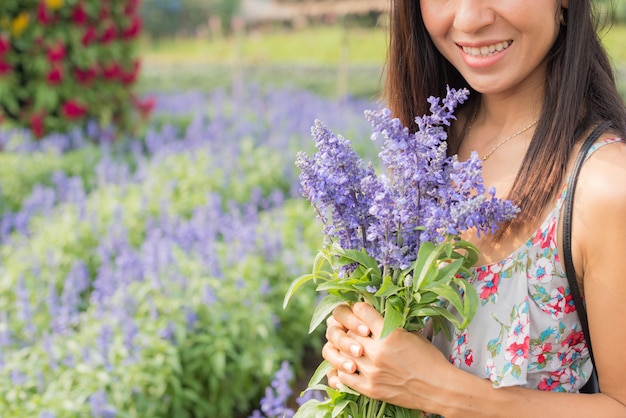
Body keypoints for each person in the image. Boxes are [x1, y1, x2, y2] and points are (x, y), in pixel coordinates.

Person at [322, 0, 626, 416]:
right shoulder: (424, 150)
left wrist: (441, 390)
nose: (468, 19)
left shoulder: (606, 184)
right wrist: (360, 338)